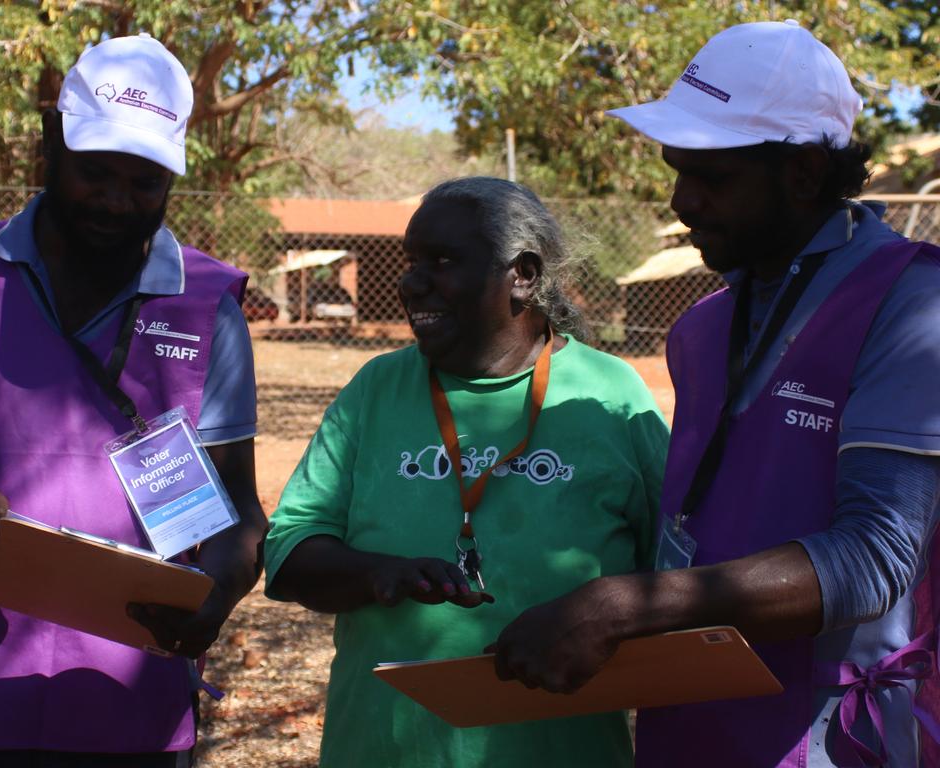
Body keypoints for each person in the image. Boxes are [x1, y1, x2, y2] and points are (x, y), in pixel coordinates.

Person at [488, 19, 940, 767]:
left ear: (801, 172)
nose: (683, 201)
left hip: (831, 732)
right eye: (677, 170)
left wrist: (628, 604)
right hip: (690, 715)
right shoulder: (703, 328)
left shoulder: (910, 304)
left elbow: (874, 558)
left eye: (713, 177)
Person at [0, 34, 267, 766]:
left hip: (130, 696)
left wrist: (219, 591)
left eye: (144, 182)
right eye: (95, 172)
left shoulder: (206, 306)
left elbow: (239, 511)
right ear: (52, 137)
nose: (116, 200)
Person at [263, 177, 669, 767]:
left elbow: (680, 568)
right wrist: (382, 574)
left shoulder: (611, 395)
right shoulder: (378, 388)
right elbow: (290, 547)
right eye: (412, 260)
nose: (411, 281)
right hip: (381, 749)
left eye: (443, 261)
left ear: (523, 276)